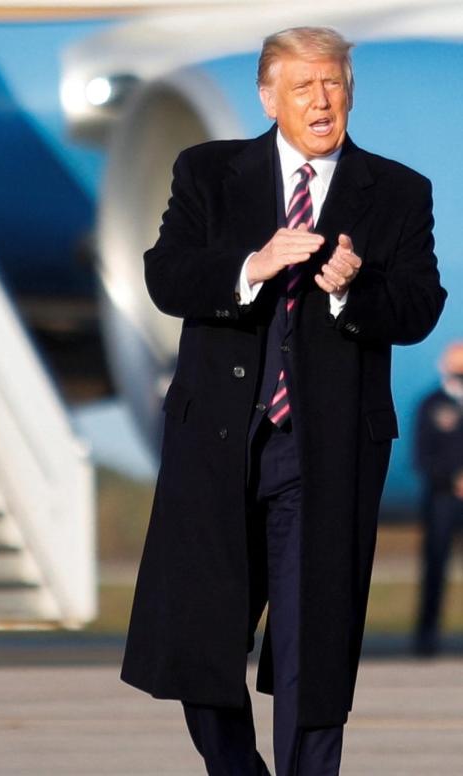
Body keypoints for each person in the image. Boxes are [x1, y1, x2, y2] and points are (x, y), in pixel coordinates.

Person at [121, 27, 445, 775]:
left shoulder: (397, 191)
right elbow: (167, 276)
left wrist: (352, 293)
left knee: (313, 654)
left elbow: (420, 306)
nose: (322, 100)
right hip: (218, 448)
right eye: (303, 87)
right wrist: (251, 266)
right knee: (199, 649)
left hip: (324, 455)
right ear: (269, 97)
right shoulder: (208, 173)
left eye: (332, 84)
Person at [412, 342, 463, 656]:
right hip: (442, 498)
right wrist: (453, 479)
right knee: (435, 566)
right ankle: (426, 635)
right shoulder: (431, 404)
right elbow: (422, 456)